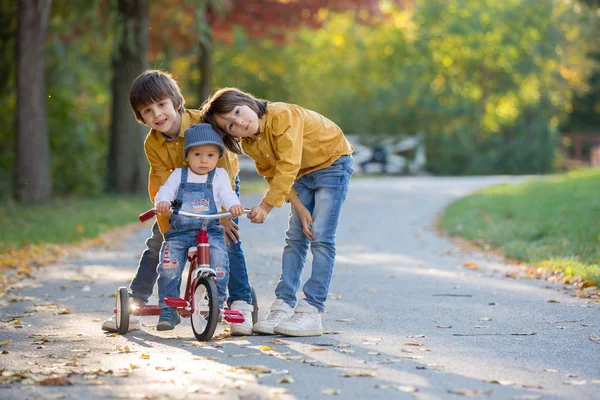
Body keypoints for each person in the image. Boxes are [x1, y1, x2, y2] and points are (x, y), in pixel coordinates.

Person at [101, 70, 254, 336]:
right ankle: (135, 304)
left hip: (219, 187)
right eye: (147, 111)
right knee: (157, 245)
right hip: (178, 193)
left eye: (161, 105)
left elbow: (226, 166)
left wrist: (225, 214)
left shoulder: (202, 121)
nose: (157, 114)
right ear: (140, 117)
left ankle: (240, 303)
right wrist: (165, 226)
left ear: (176, 101)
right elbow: (160, 182)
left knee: (227, 240)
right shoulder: (153, 143)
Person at [201, 88, 354, 337]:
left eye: (238, 112)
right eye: (231, 126)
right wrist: (300, 207)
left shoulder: (281, 115)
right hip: (301, 175)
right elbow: (272, 172)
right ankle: (284, 304)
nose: (240, 123)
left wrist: (266, 205)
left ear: (246, 101)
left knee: (321, 236)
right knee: (295, 237)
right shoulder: (250, 143)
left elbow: (288, 164)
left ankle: (312, 310)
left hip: (332, 164)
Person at [154, 123, 244, 330]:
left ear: (218, 156)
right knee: (169, 266)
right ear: (187, 155)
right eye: (197, 154)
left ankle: (217, 303)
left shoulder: (219, 175)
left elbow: (227, 194)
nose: (204, 160)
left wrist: (233, 206)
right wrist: (163, 202)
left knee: (220, 261)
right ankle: (168, 309)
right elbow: (165, 191)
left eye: (211, 155)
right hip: (180, 232)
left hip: (210, 231)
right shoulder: (179, 174)